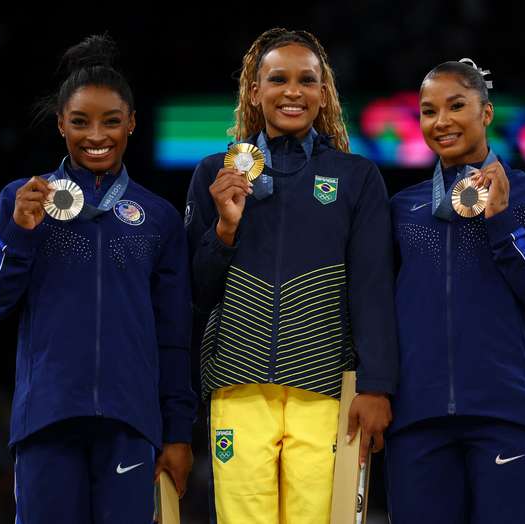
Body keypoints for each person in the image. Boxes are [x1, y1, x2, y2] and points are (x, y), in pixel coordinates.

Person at [0, 34, 195, 523]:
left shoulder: (158, 218)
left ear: (132, 123)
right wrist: (20, 234)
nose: (97, 135)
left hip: (130, 422)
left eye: (112, 121)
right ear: (59, 124)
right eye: (80, 121)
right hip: (46, 419)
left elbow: (174, 337)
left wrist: (177, 432)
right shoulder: (23, 200)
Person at [184, 28, 398, 524]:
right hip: (237, 388)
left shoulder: (356, 177)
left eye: (307, 80)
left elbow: (373, 287)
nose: (293, 91)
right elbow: (196, 291)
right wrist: (224, 227)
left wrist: (377, 385)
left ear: (324, 94)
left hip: (325, 391)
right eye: (278, 78)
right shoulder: (215, 174)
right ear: (254, 91)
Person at [386, 58, 525, 523]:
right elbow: (374, 306)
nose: (442, 121)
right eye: (429, 111)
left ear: (486, 112)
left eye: (456, 106)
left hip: (507, 412)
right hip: (418, 417)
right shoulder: (401, 208)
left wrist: (504, 224)